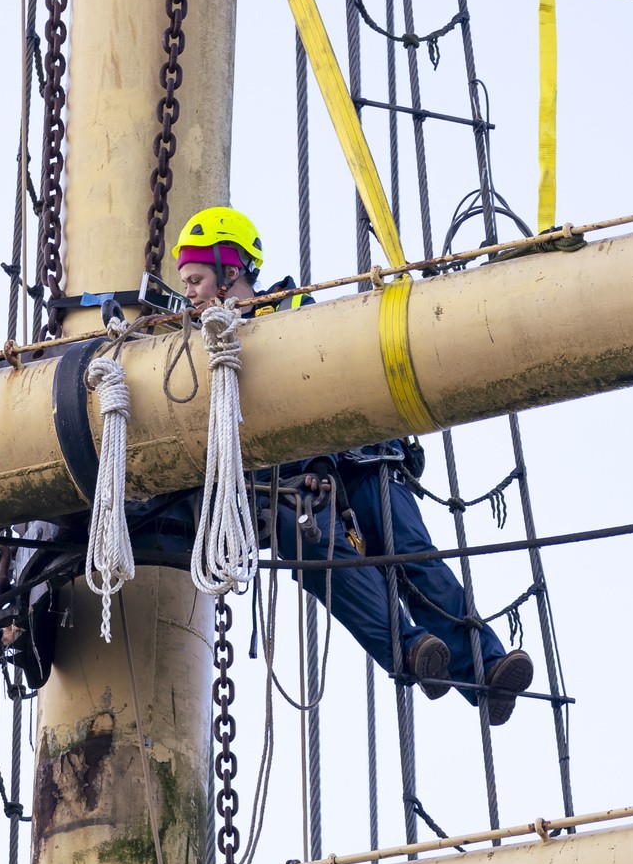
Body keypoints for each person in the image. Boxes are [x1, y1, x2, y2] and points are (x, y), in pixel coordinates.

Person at [171, 206, 536, 725]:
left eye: (196, 279)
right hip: (293, 481)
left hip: (361, 457)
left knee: (410, 552)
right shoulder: (193, 348)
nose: (189, 293)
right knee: (321, 555)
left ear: (230, 270)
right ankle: (412, 651)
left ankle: (489, 670)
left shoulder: (297, 308)